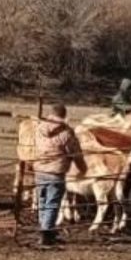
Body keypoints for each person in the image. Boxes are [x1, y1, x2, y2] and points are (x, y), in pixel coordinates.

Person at [32, 103, 88, 247]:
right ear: (63, 115)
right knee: (52, 203)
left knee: (42, 200)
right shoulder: (66, 133)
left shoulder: (40, 128)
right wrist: (83, 168)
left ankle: (45, 231)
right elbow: (75, 152)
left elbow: (35, 145)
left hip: (39, 170)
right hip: (55, 172)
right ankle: (46, 235)